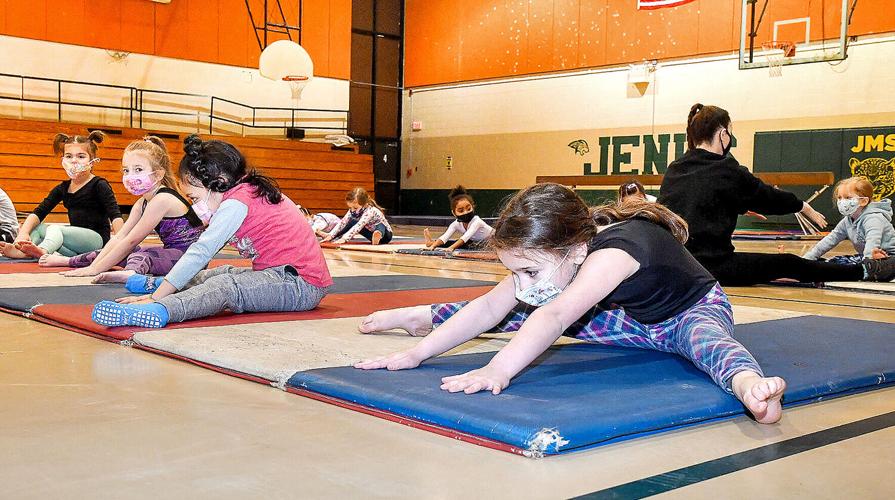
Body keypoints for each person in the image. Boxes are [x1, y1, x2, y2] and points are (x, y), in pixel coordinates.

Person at [356, 183, 787, 424]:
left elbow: (557, 314)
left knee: (702, 339)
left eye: (529, 271)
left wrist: (498, 368)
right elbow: (489, 308)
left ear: (576, 252)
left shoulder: (614, 252)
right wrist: (418, 354)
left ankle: (748, 385)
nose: (523, 283)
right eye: (517, 271)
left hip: (689, 312)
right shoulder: (559, 254)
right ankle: (420, 320)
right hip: (631, 323)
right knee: (516, 309)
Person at [90, 135, 332, 328]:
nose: (195, 205)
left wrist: (159, 298)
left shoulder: (236, 202)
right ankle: (153, 283)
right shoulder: (243, 192)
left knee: (226, 286)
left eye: (194, 197)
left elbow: (201, 251)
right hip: (282, 276)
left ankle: (161, 309)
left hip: (300, 286)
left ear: (217, 182)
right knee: (219, 274)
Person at [658, 103, 895, 285]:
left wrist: (740, 205)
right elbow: (768, 198)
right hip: (713, 266)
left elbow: (699, 200)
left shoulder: (675, 169)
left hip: (674, 265)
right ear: (722, 134)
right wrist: (803, 206)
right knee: (788, 263)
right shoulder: (727, 170)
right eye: (729, 133)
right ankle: (865, 270)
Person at [38, 137, 203, 283]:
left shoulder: (162, 199)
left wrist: (96, 270)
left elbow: (132, 240)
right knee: (113, 250)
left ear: (158, 174)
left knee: (139, 255)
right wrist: (95, 266)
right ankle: (68, 261)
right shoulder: (142, 203)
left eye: (138, 169)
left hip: (190, 259)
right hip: (171, 252)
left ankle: (131, 273)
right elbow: (120, 237)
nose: (130, 175)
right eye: (126, 170)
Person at [0, 131, 123, 259]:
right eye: (69, 156)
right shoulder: (63, 188)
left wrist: (121, 242)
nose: (74, 161)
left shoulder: (99, 184)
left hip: (97, 241)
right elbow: (39, 212)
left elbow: (115, 215)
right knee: (38, 228)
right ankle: (24, 251)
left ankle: (43, 251)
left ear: (92, 160)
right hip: (76, 248)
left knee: (55, 229)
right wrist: (23, 233)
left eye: (81, 156)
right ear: (63, 159)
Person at [802, 177, 894, 264]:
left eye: (848, 198)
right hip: (867, 257)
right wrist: (808, 258)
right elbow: (831, 239)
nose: (842, 201)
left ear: (863, 201)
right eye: (839, 198)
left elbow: (873, 242)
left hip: (889, 258)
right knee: (833, 262)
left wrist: (867, 266)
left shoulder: (873, 218)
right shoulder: (848, 220)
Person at [424, 185, 494, 251]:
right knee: (462, 243)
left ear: (473, 207)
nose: (466, 212)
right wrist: (433, 246)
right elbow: (445, 237)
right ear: (454, 213)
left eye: (469, 209)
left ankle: (431, 242)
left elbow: (465, 237)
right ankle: (431, 243)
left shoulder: (477, 221)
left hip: (495, 241)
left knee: (468, 244)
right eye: (461, 210)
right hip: (477, 242)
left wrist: (451, 248)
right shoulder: (455, 224)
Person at [321, 187, 393, 245]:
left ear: (365, 204)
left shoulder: (370, 211)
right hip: (370, 235)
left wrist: (345, 239)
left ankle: (378, 234)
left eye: (355, 208)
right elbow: (342, 223)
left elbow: (359, 226)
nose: (352, 210)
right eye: (350, 207)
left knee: (380, 224)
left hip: (386, 236)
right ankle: (330, 236)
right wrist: (331, 235)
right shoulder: (353, 210)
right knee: (351, 221)